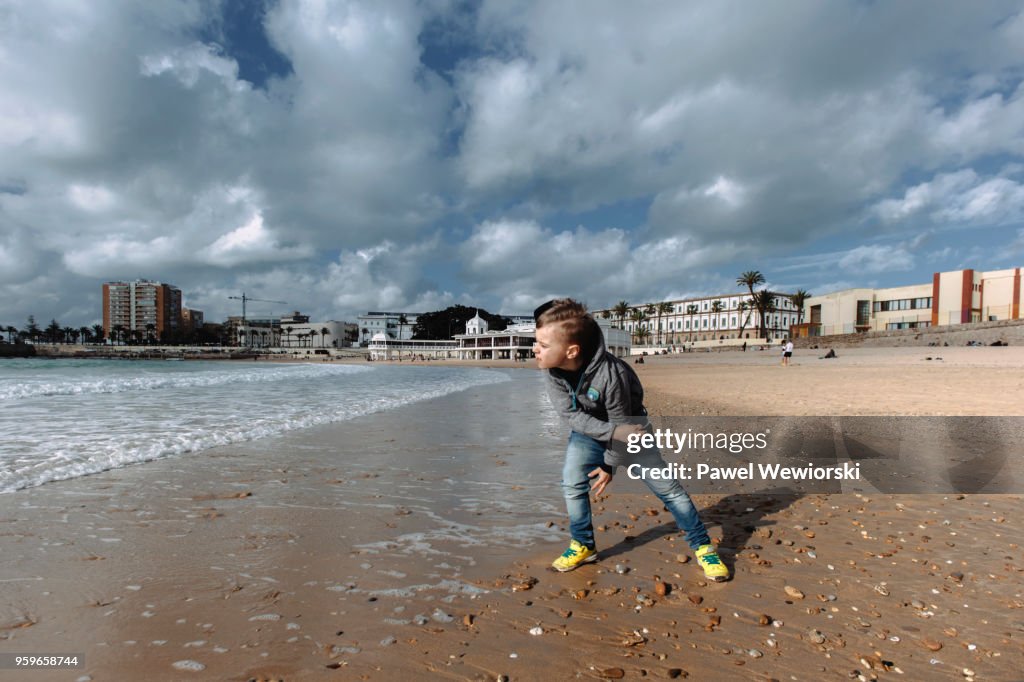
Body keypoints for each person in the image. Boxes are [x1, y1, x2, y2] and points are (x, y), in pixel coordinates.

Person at [533, 299, 729, 581]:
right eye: (536, 341)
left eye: (543, 344)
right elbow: (571, 417)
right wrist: (611, 436)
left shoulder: (612, 375)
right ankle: (583, 544)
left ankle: (703, 547)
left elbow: (624, 426)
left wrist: (611, 464)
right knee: (571, 483)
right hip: (593, 432)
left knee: (669, 489)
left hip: (633, 430)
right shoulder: (551, 371)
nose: (535, 349)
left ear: (571, 350)